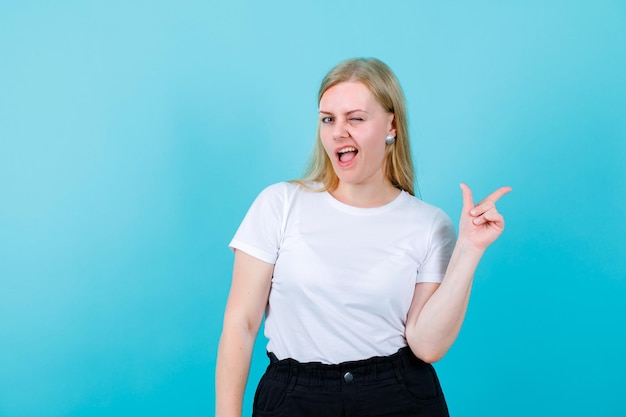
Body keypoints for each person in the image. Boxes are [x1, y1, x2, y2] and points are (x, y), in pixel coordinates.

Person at [216, 57, 511, 417]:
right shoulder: (279, 204)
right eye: (329, 119)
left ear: (392, 126)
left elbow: (427, 346)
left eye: (355, 118)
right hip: (295, 398)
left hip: (397, 396)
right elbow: (241, 325)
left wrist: (469, 249)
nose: (339, 131)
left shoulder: (430, 224)